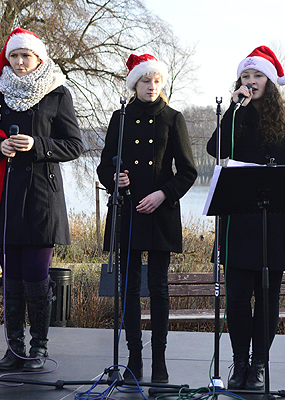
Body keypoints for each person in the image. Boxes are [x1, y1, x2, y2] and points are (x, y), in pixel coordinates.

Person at [0, 28, 84, 372]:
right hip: (5, 197)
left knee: (36, 275)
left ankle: (37, 348)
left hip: (42, 198)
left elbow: (75, 145)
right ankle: (14, 350)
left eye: (26, 56)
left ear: (39, 58)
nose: (20, 62)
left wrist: (39, 145)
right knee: (12, 278)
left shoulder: (57, 93)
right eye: (14, 56)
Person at [206, 46, 285, 390]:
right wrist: (232, 111)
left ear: (270, 82)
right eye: (245, 77)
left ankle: (260, 366)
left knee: (267, 299)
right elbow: (214, 150)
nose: (250, 82)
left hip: (275, 226)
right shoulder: (236, 117)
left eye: (257, 76)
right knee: (236, 298)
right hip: (238, 224)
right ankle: (239, 364)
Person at [97, 54, 197, 383]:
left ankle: (160, 361)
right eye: (145, 80)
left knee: (158, 286)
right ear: (134, 84)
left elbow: (187, 171)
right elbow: (103, 166)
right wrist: (115, 177)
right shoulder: (120, 117)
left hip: (160, 213)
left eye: (156, 81)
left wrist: (163, 194)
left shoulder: (173, 118)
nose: (151, 86)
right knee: (129, 288)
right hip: (127, 210)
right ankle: (134, 359)